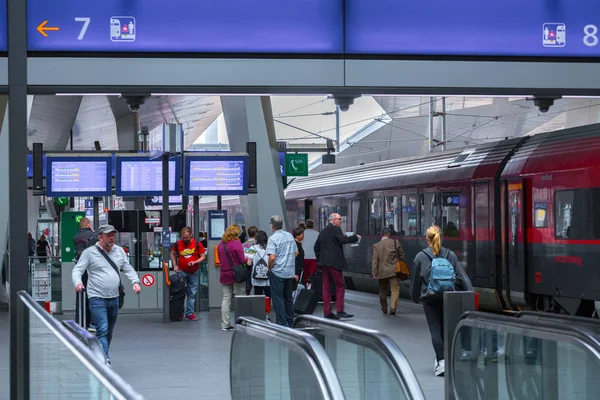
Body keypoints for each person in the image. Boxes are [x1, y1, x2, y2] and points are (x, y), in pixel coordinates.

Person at [72, 225, 141, 364]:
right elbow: (77, 270)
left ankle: (101, 354)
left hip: (114, 297)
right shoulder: (89, 252)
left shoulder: (119, 251)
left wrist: (135, 281)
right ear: (100, 237)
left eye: (113, 235)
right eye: (108, 235)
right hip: (96, 296)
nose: (111, 238)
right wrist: (78, 283)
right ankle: (105, 359)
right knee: (102, 329)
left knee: (109, 331)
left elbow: (128, 268)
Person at [410, 224, 472, 377]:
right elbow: (461, 276)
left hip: (429, 298)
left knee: (434, 328)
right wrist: (469, 293)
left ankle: (441, 362)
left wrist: (415, 297)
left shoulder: (420, 257)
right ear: (441, 237)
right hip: (448, 296)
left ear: (427, 239)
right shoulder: (450, 255)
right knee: (446, 328)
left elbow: (415, 282)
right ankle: (448, 360)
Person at [314, 213, 360, 320]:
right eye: (339, 219)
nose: (341, 221)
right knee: (340, 286)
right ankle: (340, 311)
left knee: (326, 288)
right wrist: (355, 237)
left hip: (324, 264)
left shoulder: (323, 231)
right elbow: (343, 240)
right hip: (334, 264)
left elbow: (316, 247)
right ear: (333, 220)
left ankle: (327, 312)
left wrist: (320, 259)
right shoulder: (336, 229)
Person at [266, 215, 297, 327]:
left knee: (278, 299)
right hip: (289, 272)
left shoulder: (272, 239)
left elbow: (272, 257)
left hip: (277, 272)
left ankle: (282, 323)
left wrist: (269, 268)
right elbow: (296, 252)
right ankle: (290, 321)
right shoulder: (289, 236)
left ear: (272, 226)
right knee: (288, 297)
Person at [170, 227, 206, 321]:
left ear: (191, 235)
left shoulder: (197, 244)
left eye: (187, 237)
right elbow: (172, 253)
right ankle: (180, 313)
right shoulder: (178, 244)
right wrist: (175, 265)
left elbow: (203, 256)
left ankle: (189, 313)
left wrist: (195, 262)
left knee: (191, 293)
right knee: (180, 293)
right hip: (182, 271)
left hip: (194, 271)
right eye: (183, 237)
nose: (185, 239)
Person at [217, 225, 247, 331]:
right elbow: (242, 260)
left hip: (224, 274)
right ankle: (241, 322)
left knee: (226, 299)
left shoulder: (221, 244)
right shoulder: (236, 243)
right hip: (236, 274)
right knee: (240, 298)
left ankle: (225, 324)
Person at [73, 217, 98, 331]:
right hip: (92, 269)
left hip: (80, 268)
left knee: (81, 295)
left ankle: (80, 320)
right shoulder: (92, 236)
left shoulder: (76, 237)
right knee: (94, 294)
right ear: (88, 225)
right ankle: (92, 322)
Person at [372, 227, 404, 315]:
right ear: (389, 234)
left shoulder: (376, 245)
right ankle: (393, 308)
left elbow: (375, 260)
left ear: (381, 234)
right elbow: (401, 255)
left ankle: (384, 308)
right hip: (394, 271)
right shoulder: (395, 242)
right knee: (395, 289)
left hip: (381, 271)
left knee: (382, 289)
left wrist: (374, 273)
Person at [246, 230, 271, 297]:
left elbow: (249, 263)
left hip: (256, 277)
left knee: (258, 296)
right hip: (267, 277)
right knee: (268, 296)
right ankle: (267, 307)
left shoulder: (252, 248)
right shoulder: (270, 248)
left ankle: (259, 307)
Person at [301, 219, 319, 284]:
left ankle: (304, 290)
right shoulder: (317, 234)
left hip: (304, 258)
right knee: (313, 276)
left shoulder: (302, 234)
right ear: (313, 226)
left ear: (305, 225)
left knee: (304, 276)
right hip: (314, 258)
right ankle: (313, 290)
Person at [242, 226, 258, 295]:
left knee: (248, 284)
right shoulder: (258, 244)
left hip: (247, 266)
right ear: (256, 234)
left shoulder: (244, 245)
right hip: (256, 266)